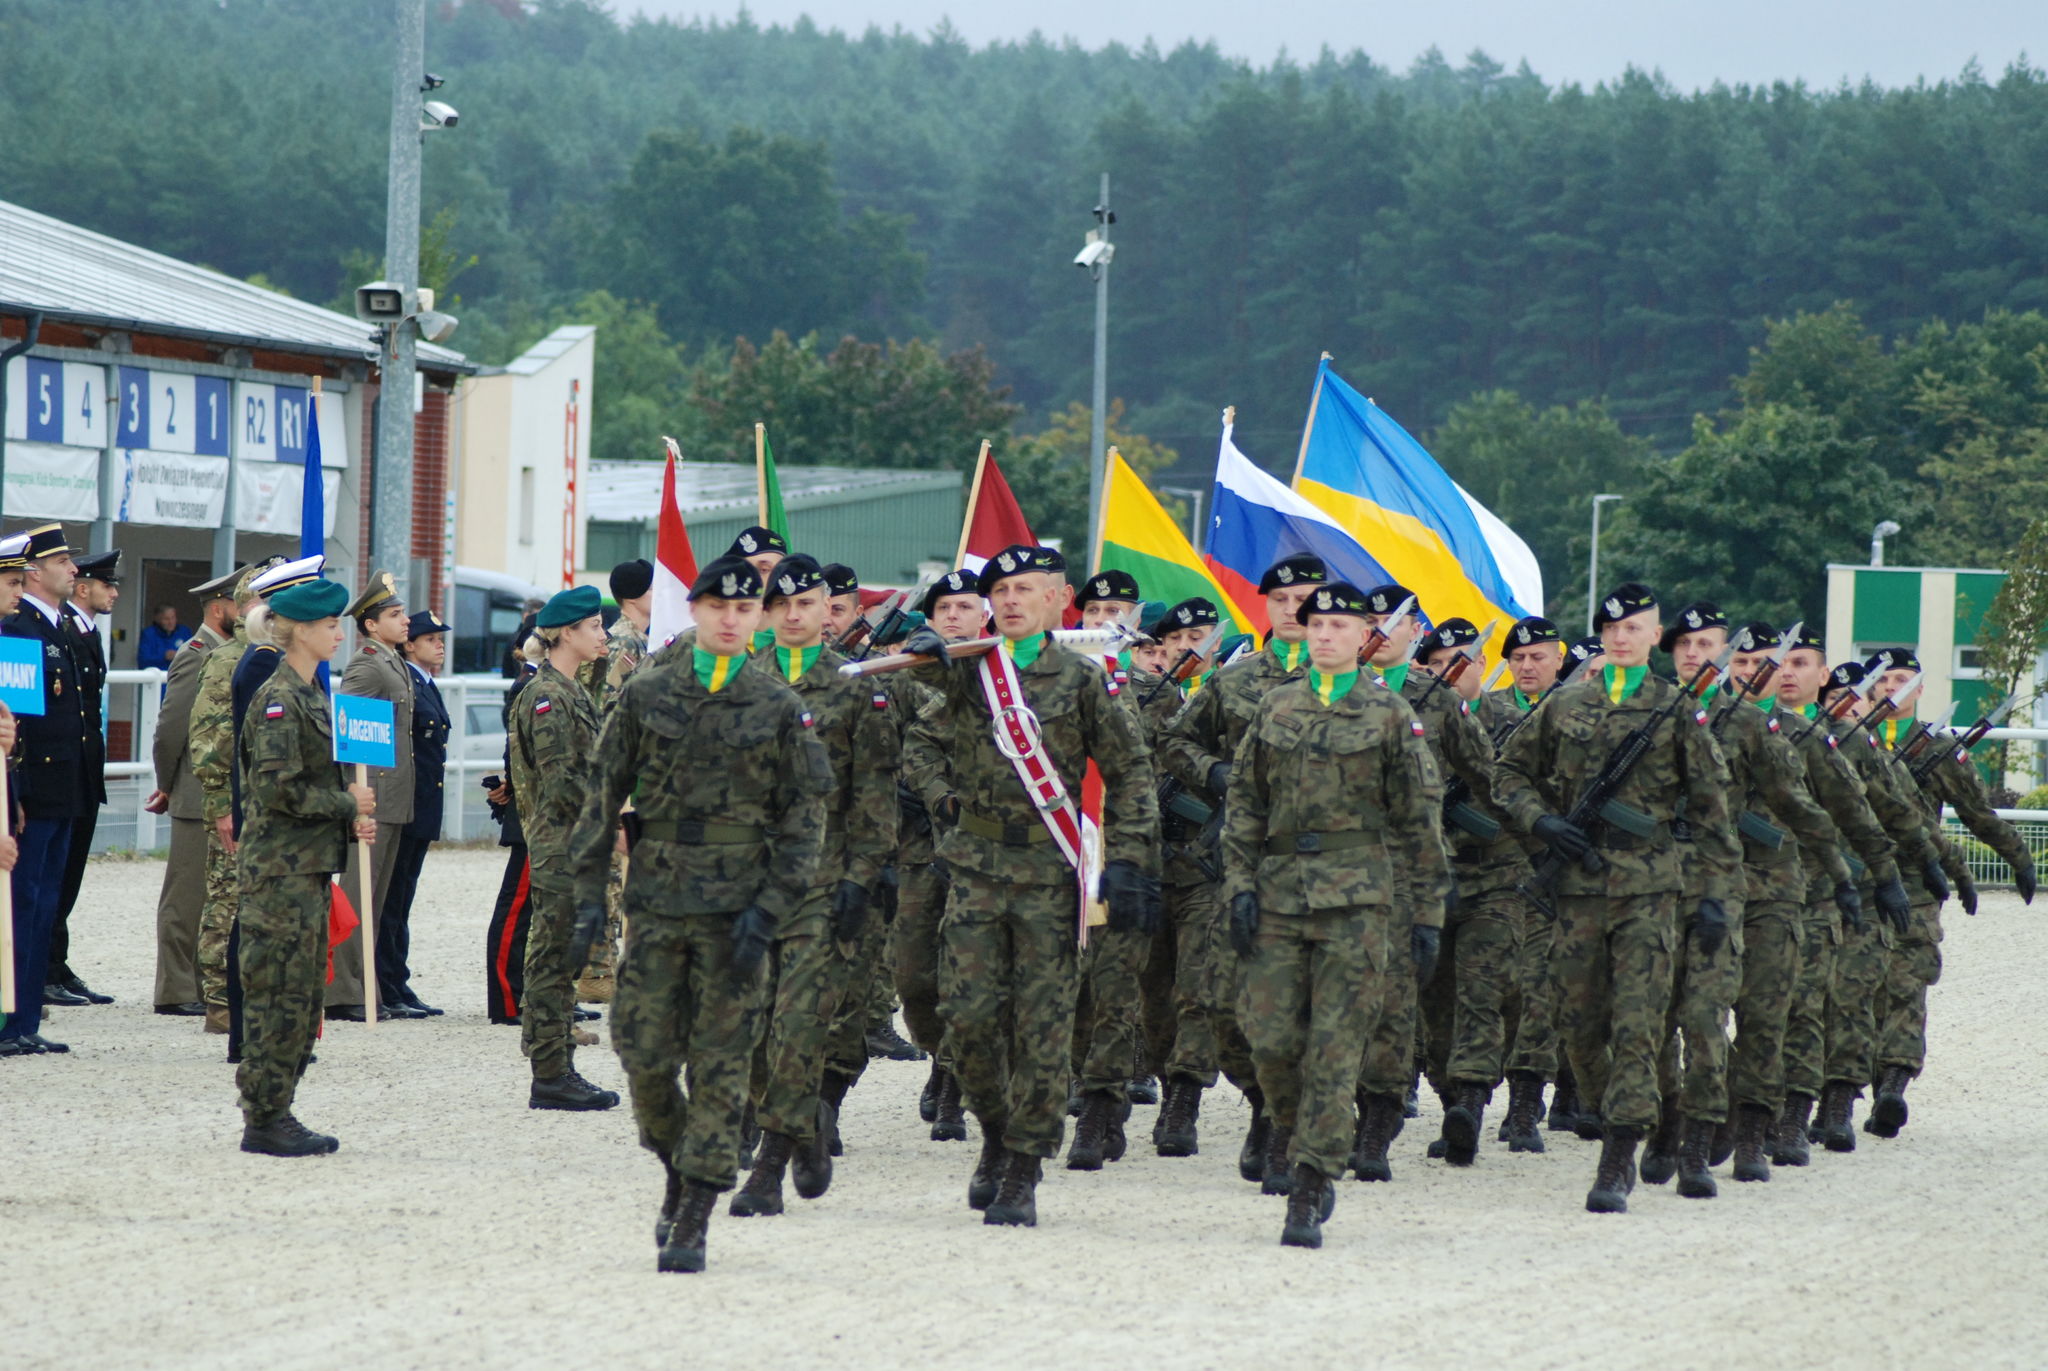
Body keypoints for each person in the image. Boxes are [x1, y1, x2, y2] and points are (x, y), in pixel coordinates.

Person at [562, 554, 828, 1274]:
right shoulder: (648, 691)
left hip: (738, 911)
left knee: (720, 1064)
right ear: (699, 609)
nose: (732, 618)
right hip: (658, 903)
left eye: (747, 609)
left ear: (760, 617)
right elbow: (601, 792)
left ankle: (695, 1208)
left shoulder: (778, 705)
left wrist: (772, 907)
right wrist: (588, 897)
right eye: (719, 606)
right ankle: (679, 1162)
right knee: (643, 1053)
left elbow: (806, 819)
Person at [900, 543, 1158, 1228]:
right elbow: (917, 736)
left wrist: (1127, 863)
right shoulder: (969, 672)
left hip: (1051, 872)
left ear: (1057, 597)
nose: (1010, 599)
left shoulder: (1080, 679)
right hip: (977, 869)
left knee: (1044, 1025)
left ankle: (1022, 1162)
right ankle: (994, 1127)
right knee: (969, 1019)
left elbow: (1130, 771)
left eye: (1025, 588)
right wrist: (942, 799)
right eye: (1001, 589)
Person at [1494, 581, 1742, 1214]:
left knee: (1639, 1022)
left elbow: (1714, 813)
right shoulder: (1563, 704)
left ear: (1654, 638)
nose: (1621, 637)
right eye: (1612, 629)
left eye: (1634, 628)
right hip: (1576, 889)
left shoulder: (1677, 709)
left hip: (1649, 890)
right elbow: (1508, 773)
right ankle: (1656, 1112)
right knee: (1578, 1027)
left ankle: (1616, 1155)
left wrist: (1715, 895)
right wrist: (1540, 821)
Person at [1224, 581, 1451, 1248]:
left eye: (1338, 625)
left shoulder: (1388, 713)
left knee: (1334, 1043)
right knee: (1267, 1037)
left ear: (1363, 638)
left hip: (1357, 900)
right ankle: (1303, 1131)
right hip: (1278, 892)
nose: (1323, 633)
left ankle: (1312, 1177)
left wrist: (1429, 913)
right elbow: (1244, 802)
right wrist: (1239, 884)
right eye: (1315, 622)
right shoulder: (1275, 705)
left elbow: (1420, 818)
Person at [731, 554, 898, 1215]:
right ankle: (801, 1132)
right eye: (784, 604)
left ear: (829, 609)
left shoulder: (857, 686)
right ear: (768, 614)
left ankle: (767, 1168)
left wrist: (863, 875)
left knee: (798, 1027)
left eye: (810, 603)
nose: (796, 614)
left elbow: (875, 790)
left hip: (822, 885)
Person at [1156, 553, 1325, 1177]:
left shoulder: (1359, 691)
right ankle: (1263, 1100)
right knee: (1224, 1007)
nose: (1292, 610)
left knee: (1304, 1008)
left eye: (1306, 599)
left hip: (1322, 876)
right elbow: (1175, 740)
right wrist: (1217, 773)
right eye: (1280, 599)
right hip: (1235, 866)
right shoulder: (1233, 681)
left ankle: (1285, 1129)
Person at [1864, 646, 2036, 1136]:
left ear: (1919, 690)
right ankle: (1841, 1091)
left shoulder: (1935, 750)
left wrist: (2019, 857)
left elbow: (1977, 812)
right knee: (1856, 989)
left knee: (1907, 982)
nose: (1893, 687)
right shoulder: (1851, 742)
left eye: (1903, 679)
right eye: (1884, 679)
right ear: (1871, 688)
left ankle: (1893, 1085)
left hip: (1918, 884)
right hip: (1856, 883)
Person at [233, 575, 377, 1155]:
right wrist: (347, 803)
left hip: (308, 867)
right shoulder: (279, 699)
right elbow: (277, 792)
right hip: (279, 873)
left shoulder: (314, 694)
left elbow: (311, 786)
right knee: (277, 995)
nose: (338, 634)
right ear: (298, 631)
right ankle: (264, 1116)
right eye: (328, 626)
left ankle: (280, 1106)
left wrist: (349, 818)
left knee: (301, 997)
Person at [1402, 612, 1534, 1169]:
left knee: (1483, 992)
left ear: (1483, 665)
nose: (1447, 674)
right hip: (1433, 878)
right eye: (1435, 665)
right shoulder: (1414, 718)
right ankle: (1452, 1097)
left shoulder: (1514, 719)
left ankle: (1474, 1103)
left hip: (1497, 875)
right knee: (1435, 1004)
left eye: (1458, 663)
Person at [507, 584, 619, 1112]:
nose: (603, 634)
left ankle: (555, 1065)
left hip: (575, 843)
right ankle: (550, 1072)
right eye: (594, 626)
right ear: (567, 633)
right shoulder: (548, 696)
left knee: (560, 958)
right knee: (553, 960)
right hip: (561, 846)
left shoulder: (572, 689)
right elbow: (563, 782)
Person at [221, 556, 328, 1061]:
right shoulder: (266, 665)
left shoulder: (285, 666)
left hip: (294, 829)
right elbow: (267, 766)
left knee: (282, 935)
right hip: (274, 826)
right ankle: (250, 1036)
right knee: (262, 933)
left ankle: (272, 1036)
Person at [895, 569, 984, 1141]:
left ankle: (952, 1083)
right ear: (928, 618)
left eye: (965, 606)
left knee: (966, 975)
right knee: (914, 977)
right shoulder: (903, 676)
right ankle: (936, 1053)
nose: (953, 616)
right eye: (943, 607)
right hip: (916, 846)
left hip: (981, 847)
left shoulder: (1001, 675)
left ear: (985, 615)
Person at [185, 557, 291, 1036]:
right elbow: (208, 740)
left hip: (266, 802)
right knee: (227, 900)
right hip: (234, 800)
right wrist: (221, 804)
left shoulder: (281, 658)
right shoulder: (230, 658)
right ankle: (219, 1001)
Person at [0, 525, 90, 1057]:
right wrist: (19, 797)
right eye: (63, 562)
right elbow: (23, 728)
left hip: (61, 787)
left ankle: (25, 1017)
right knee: (23, 902)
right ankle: (11, 1019)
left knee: (42, 904)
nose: (74, 570)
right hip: (33, 790)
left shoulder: (56, 629)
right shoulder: (21, 630)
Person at [146, 565, 243, 1018]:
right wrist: (166, 784)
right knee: (186, 896)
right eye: (240, 604)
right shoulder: (198, 653)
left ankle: (206, 984)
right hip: (193, 790)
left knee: (216, 895)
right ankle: (174, 988)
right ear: (219, 607)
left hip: (215, 790)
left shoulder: (231, 652)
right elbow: (171, 729)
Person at [331, 571, 419, 1022]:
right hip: (374, 796)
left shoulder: (391, 660)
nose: (405, 621)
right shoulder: (367, 664)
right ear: (370, 625)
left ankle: (365, 986)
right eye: (394, 614)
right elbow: (351, 738)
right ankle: (344, 990)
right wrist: (353, 793)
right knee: (360, 891)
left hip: (393, 795)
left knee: (377, 896)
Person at [43, 547, 117, 1008]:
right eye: (108, 585)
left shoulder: (84, 631)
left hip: (83, 769)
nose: (114, 593)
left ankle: (57, 962)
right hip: (64, 770)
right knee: (55, 874)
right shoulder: (65, 629)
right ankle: (47, 968)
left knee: (68, 876)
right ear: (85, 588)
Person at [380, 610, 451, 1017]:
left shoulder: (425, 684)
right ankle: (387, 984)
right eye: (430, 638)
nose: (439, 643)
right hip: (405, 803)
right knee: (391, 899)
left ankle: (398, 981)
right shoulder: (405, 681)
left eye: (440, 638)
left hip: (422, 803)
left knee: (403, 898)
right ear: (410, 645)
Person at [138, 602, 192, 672]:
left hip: (179, 678)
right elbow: (142, 661)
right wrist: (164, 656)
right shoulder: (149, 634)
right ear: (157, 619)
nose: (171, 622)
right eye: (166, 619)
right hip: (157, 680)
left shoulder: (184, 632)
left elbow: (193, 657)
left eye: (173, 617)